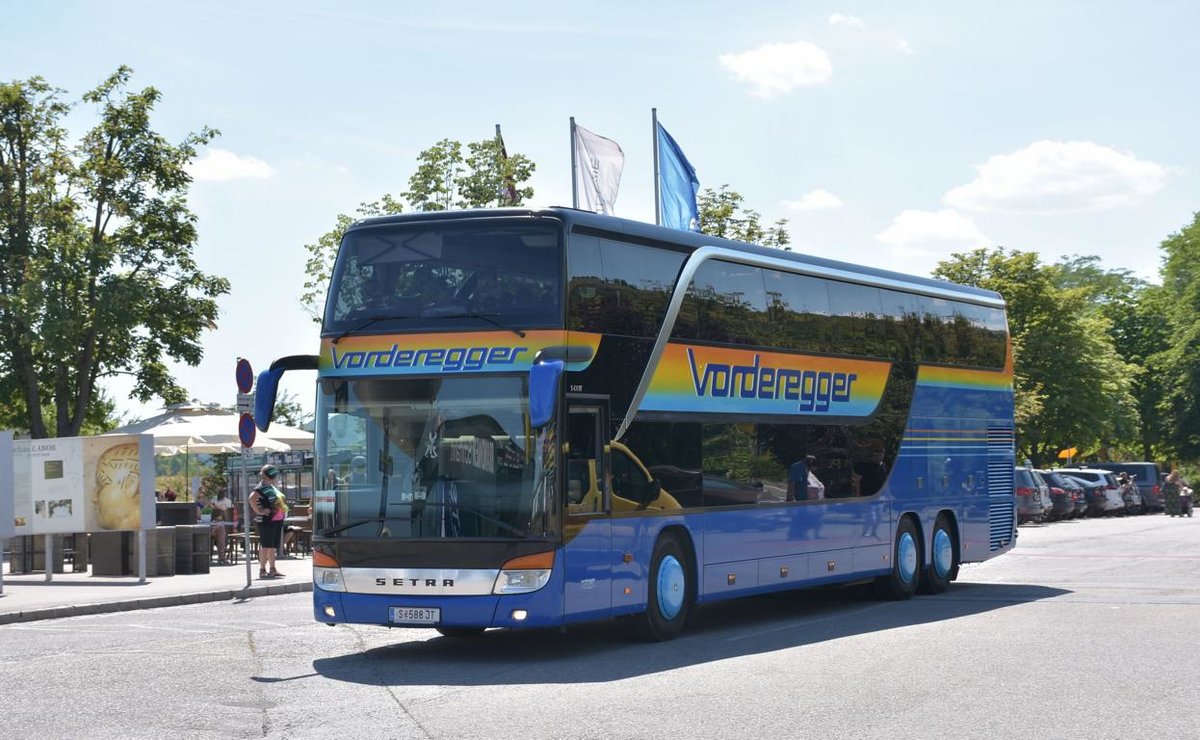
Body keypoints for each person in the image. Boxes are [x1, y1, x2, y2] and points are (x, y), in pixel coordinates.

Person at [250, 464, 289, 578]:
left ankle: (272, 569)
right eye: (273, 475)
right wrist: (260, 511)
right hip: (267, 520)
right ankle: (262, 569)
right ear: (268, 476)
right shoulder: (261, 487)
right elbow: (251, 498)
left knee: (271, 546)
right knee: (266, 545)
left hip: (275, 519)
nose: (275, 477)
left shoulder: (270, 486)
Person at [209, 490, 233, 565]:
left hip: (220, 525)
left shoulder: (227, 502)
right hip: (207, 526)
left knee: (221, 529)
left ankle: (222, 556)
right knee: (216, 529)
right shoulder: (211, 500)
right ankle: (208, 555)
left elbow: (227, 512)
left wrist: (217, 507)